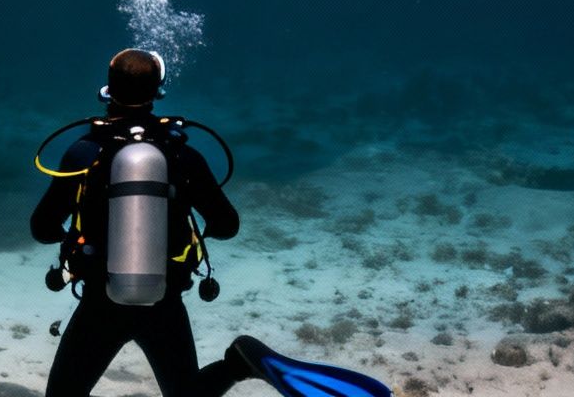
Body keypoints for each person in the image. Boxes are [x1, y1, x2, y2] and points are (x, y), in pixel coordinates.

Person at [32, 49, 390, 397]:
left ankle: (237, 366)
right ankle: (238, 365)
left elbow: (42, 227)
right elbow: (227, 223)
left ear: (107, 90)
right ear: (158, 92)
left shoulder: (83, 153)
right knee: (186, 392)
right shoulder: (181, 153)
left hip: (100, 301)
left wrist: (80, 243)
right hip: (164, 298)